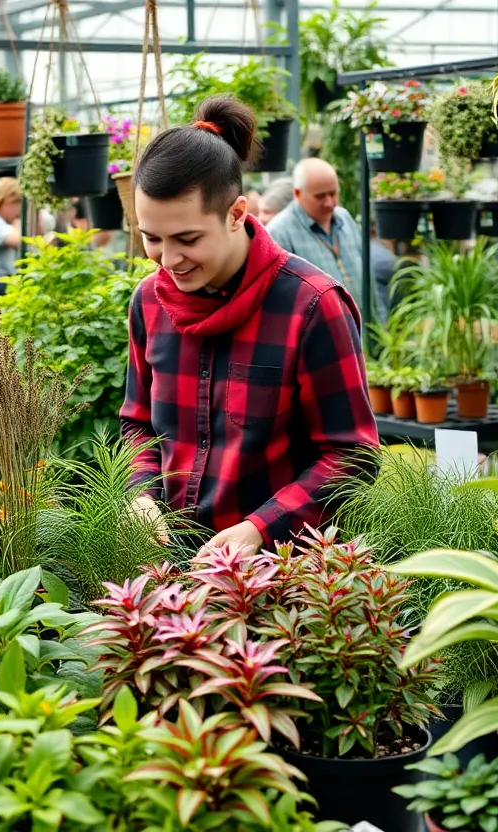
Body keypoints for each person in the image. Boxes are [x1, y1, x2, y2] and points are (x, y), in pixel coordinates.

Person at [121, 97, 378, 554]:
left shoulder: (312, 307)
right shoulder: (149, 303)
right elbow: (139, 425)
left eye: (188, 238)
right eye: (152, 238)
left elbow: (352, 457)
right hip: (167, 568)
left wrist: (260, 528)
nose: (168, 259)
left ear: (237, 214)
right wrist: (140, 496)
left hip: (281, 577)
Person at [265, 157, 365, 309]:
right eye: (320, 196)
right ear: (298, 194)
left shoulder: (345, 218)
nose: (329, 202)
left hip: (362, 329)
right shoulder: (279, 232)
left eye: (333, 193)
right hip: (319, 331)